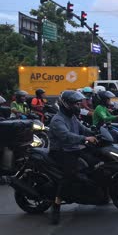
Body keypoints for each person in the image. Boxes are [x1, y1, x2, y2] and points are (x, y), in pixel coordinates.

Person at [48, 90, 98, 225]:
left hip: (74, 148)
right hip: (61, 151)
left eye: (78, 103)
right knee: (69, 175)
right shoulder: (58, 120)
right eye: (75, 103)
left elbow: (82, 129)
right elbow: (66, 137)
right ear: (66, 104)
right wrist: (85, 138)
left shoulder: (72, 117)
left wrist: (95, 132)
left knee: (94, 161)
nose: (78, 105)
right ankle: (56, 206)